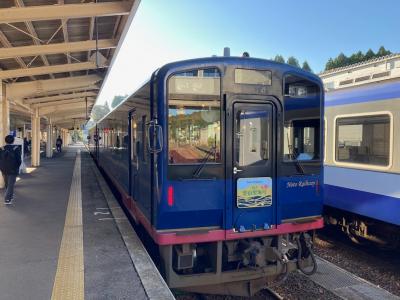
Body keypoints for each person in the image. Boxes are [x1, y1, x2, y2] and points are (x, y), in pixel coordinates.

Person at [0, 135, 22, 205]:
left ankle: (11, 195)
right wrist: (17, 167)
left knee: (7, 184)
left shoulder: (1, 148)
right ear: (13, 141)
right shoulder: (16, 148)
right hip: (13, 169)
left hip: (3, 169)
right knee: (10, 185)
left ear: (5, 141)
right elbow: (19, 160)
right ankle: (7, 199)